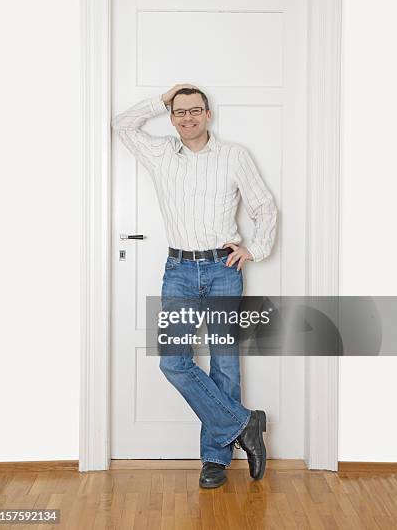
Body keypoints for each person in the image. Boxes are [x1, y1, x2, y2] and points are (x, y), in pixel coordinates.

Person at [111, 84, 278, 488]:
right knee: (173, 361)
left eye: (195, 110)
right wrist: (161, 97)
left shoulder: (234, 156)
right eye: (179, 111)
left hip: (223, 268)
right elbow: (121, 124)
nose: (188, 118)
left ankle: (215, 461)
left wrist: (254, 249)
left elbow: (264, 206)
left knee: (224, 362)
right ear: (171, 116)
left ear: (208, 114)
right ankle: (244, 423)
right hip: (179, 269)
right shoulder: (161, 153)